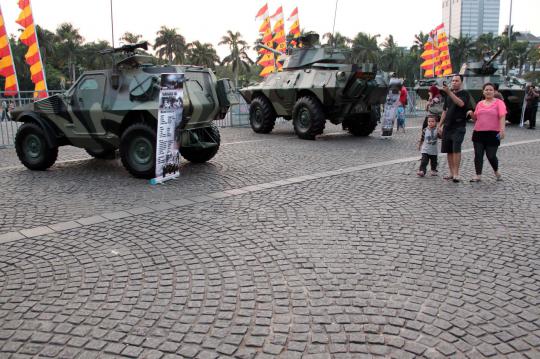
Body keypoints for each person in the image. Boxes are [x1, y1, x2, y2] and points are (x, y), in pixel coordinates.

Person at [467, 83, 506, 182]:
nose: (488, 91)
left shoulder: (499, 103)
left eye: (490, 90)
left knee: (491, 155)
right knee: (478, 155)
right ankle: (478, 175)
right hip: (479, 133)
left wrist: (502, 130)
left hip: (493, 133)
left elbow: (502, 117)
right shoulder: (480, 104)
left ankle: (496, 171)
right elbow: (476, 119)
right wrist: (471, 113)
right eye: (486, 90)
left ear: (494, 92)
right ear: (483, 92)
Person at [437, 75, 472, 183]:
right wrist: (440, 124)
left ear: (461, 82)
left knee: (456, 149)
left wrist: (449, 93)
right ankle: (451, 173)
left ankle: (456, 173)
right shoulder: (449, 95)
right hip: (448, 126)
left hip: (458, 126)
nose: (454, 82)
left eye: (457, 81)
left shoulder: (464, 94)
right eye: (453, 81)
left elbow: (460, 103)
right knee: (448, 150)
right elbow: (445, 110)